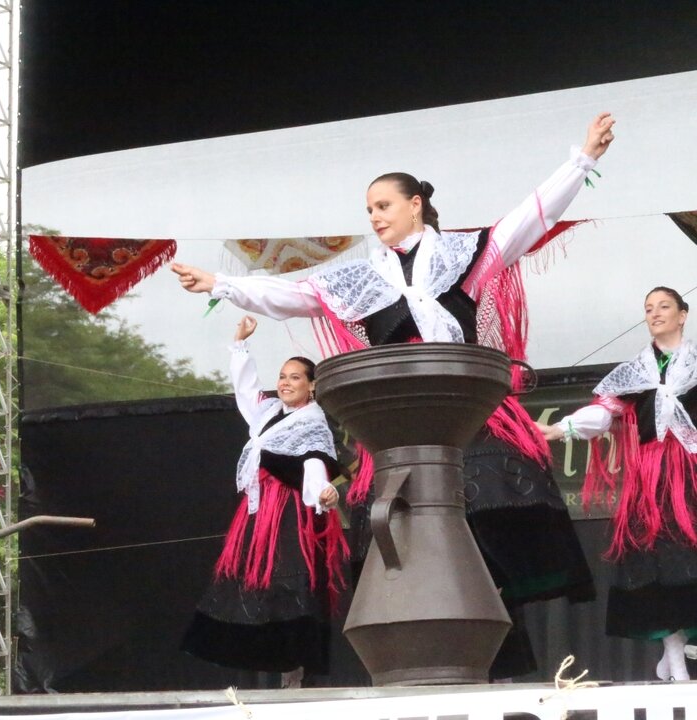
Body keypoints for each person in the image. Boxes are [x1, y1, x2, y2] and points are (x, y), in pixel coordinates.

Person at [172, 113, 616, 678]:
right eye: (369, 210)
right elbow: (292, 294)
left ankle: (498, 662)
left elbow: (531, 216)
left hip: (467, 421)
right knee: (414, 544)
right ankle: (436, 661)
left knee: (486, 535)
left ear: (416, 205)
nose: (375, 216)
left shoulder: (465, 256)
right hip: (401, 437)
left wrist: (583, 160)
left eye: (383, 205)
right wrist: (223, 283)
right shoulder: (360, 280)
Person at [181, 315, 347, 687]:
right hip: (258, 511)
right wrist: (241, 344)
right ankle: (266, 665)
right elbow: (247, 392)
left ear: (311, 385)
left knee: (289, 581)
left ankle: (295, 668)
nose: (285, 383)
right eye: (282, 377)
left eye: (294, 377)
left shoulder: (312, 422)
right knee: (253, 582)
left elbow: (314, 462)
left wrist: (324, 493)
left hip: (288, 512)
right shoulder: (268, 413)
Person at [540, 287, 695, 681]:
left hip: (692, 470)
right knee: (659, 560)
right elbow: (603, 414)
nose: (655, 313)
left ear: (683, 315)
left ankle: (677, 651)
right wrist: (561, 429)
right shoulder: (635, 373)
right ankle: (673, 652)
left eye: (664, 306)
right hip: (656, 477)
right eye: (649, 308)